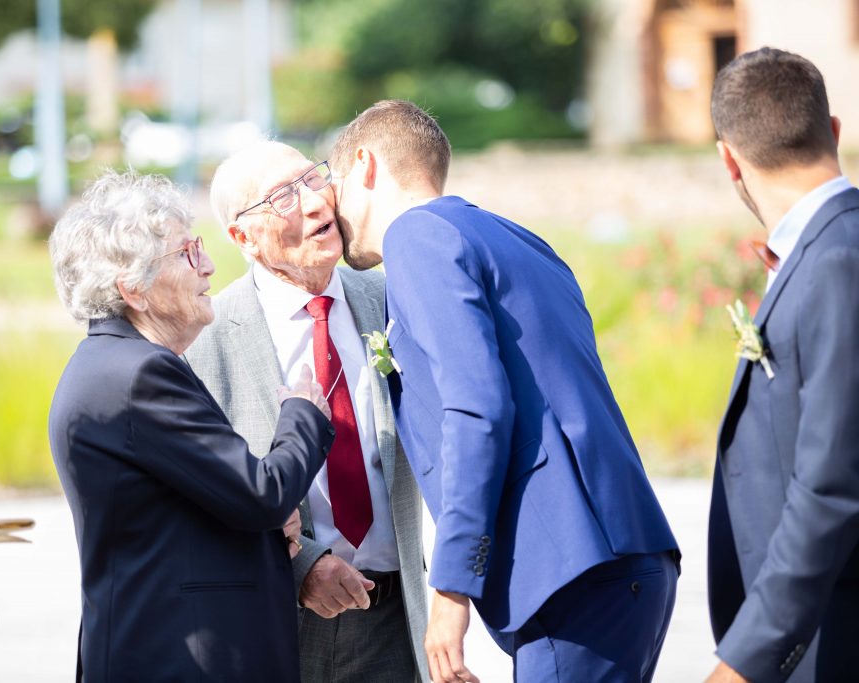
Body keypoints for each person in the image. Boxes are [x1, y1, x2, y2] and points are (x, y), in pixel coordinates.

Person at [329, 100, 680, 683]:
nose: (331, 211)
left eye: (334, 184)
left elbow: (477, 408)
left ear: (365, 166)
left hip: (571, 574)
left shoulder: (414, 237)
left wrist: (451, 584)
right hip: (625, 558)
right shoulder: (519, 239)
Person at [47, 170, 334, 682]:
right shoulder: (139, 373)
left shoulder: (113, 364)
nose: (208, 265)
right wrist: (304, 413)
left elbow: (191, 506)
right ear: (132, 288)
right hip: (184, 659)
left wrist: (272, 526)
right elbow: (260, 494)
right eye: (186, 253)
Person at [185, 140, 429, 682]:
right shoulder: (208, 337)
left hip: (395, 611)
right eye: (282, 198)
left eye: (313, 180)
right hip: (279, 618)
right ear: (242, 237)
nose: (317, 205)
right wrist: (301, 566)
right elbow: (200, 493)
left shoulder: (391, 299)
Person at [705, 48, 859, 683]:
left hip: (832, 640)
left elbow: (832, 486)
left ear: (729, 160)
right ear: (833, 130)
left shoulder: (836, 261)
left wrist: (744, 661)